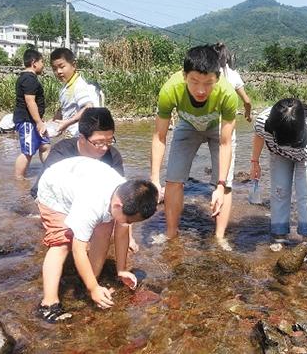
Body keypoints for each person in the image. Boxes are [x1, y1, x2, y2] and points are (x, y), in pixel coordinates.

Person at [36, 156, 158, 323]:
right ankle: (48, 304)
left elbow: (121, 231)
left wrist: (121, 270)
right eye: (129, 220)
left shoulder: (126, 194)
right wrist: (93, 288)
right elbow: (78, 249)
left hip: (78, 179)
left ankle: (89, 279)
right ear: (117, 206)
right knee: (62, 242)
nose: (128, 225)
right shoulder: (91, 205)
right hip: (54, 191)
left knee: (105, 229)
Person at [150, 45, 239, 250]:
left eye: (208, 83)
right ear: (184, 76)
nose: (201, 90)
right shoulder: (170, 90)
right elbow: (159, 136)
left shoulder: (227, 94)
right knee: (173, 179)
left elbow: (226, 143)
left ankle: (219, 237)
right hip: (187, 126)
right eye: (194, 82)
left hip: (217, 129)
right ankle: (171, 234)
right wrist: (154, 179)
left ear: (217, 77)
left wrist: (219, 184)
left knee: (225, 186)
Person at [30, 107, 139, 252]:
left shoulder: (113, 156)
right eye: (99, 142)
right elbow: (40, 192)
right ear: (82, 138)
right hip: (60, 202)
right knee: (68, 239)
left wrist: (129, 238)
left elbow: (123, 199)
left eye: (109, 141)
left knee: (111, 234)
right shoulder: (62, 152)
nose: (105, 148)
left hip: (92, 203)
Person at [250, 98, 307, 244]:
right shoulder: (263, 122)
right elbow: (259, 136)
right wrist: (255, 162)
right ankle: (279, 236)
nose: (288, 147)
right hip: (278, 154)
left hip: (303, 156)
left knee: (305, 194)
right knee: (280, 191)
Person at [13, 49, 50, 180]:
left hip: (33, 120)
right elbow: (30, 102)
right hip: (27, 121)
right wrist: (39, 122)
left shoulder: (28, 78)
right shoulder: (29, 79)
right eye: (42, 62)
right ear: (34, 62)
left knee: (45, 145)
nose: (43, 65)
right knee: (27, 152)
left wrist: (39, 119)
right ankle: (19, 180)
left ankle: (49, 173)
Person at [50, 48, 100, 137]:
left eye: (62, 67)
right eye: (54, 69)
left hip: (82, 136)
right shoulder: (66, 87)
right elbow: (64, 108)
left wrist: (68, 123)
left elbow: (88, 108)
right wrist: (51, 123)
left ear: (73, 65)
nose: (58, 71)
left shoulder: (78, 85)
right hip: (72, 136)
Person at [213, 42, 252, 122]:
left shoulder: (206, 73)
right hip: (227, 123)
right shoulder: (233, 75)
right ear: (227, 58)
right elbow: (247, 101)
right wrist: (248, 114)